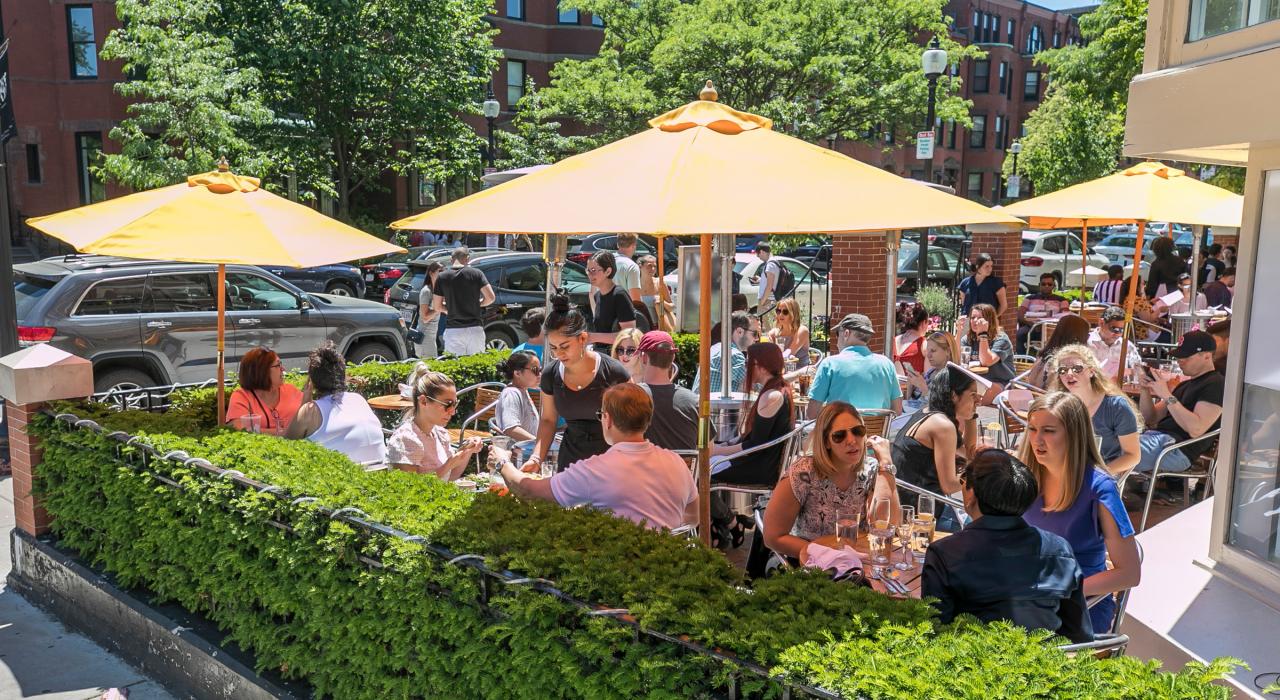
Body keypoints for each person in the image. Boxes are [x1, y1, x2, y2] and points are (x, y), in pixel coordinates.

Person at [922, 449, 1093, 643]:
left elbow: (933, 634)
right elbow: (1080, 636)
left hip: (973, 667)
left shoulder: (945, 553)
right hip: (1045, 665)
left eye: (964, 481)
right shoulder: (1060, 550)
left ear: (971, 494)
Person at [1019, 391, 1141, 633]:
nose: (1037, 440)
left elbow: (1129, 573)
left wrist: (1062, 589)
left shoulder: (1099, 488)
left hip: (1081, 604)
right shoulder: (1025, 477)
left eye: (1049, 431)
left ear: (1074, 435)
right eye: (1032, 429)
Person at [500, 383, 698, 531]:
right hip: (671, 568)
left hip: (616, 575)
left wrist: (503, 462)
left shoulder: (596, 470)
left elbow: (528, 490)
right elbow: (693, 517)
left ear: (608, 419)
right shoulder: (676, 462)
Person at [762, 402, 899, 564]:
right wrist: (825, 553)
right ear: (826, 442)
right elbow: (772, 537)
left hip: (855, 565)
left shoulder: (870, 469)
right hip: (809, 566)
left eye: (857, 431)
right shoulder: (804, 473)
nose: (851, 440)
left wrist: (885, 464)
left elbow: (885, 525)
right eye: (839, 436)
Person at [521, 295, 631, 474]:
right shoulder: (551, 374)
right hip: (571, 462)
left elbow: (634, 420)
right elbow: (548, 420)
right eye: (554, 348)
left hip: (612, 463)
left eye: (564, 346)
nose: (559, 354)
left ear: (583, 339)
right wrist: (536, 457)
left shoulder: (613, 372)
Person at [709, 343, 794, 546]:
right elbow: (753, 439)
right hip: (763, 463)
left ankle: (723, 525)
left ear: (760, 365)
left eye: (749, 363)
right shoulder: (778, 390)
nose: (746, 367)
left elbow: (755, 444)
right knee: (706, 467)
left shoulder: (770, 396)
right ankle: (726, 523)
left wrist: (720, 450)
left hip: (760, 468)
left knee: (699, 475)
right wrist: (726, 444)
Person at [891, 366, 979, 531]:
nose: (979, 400)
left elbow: (968, 452)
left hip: (905, 503)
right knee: (981, 530)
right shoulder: (943, 426)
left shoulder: (928, 412)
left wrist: (972, 414)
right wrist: (983, 474)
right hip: (920, 514)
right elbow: (950, 485)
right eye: (973, 395)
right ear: (954, 395)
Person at [1135, 331, 1224, 475]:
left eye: (1186, 357)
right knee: (1102, 444)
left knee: (1109, 449)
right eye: (1178, 357)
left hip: (1176, 450)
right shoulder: (1186, 385)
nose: (1179, 361)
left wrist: (1166, 395)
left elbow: (1196, 429)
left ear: (1207, 356)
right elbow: (1150, 418)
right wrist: (1144, 390)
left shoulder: (1216, 384)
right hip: (1158, 441)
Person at [284, 343, 387, 466]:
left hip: (342, 479)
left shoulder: (309, 411)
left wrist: (305, 401)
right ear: (343, 377)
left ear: (311, 382)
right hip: (380, 469)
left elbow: (286, 446)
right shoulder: (358, 399)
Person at [1046, 345, 1142, 477]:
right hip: (1064, 472)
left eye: (1077, 369)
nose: (1069, 374)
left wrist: (1098, 474)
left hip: (1099, 476)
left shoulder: (1116, 407)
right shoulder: (1060, 405)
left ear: (1091, 371)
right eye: (1062, 370)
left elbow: (1133, 456)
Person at [386, 365, 484, 480]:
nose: (452, 412)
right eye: (447, 404)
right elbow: (410, 489)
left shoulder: (440, 434)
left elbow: (451, 477)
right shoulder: (406, 439)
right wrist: (449, 464)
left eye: (454, 404)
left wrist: (466, 452)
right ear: (423, 401)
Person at [808, 313, 903, 413]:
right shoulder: (887, 365)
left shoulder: (830, 364)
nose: (836, 341)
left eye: (837, 334)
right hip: (878, 428)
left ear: (846, 333)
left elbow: (812, 413)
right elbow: (897, 410)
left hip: (841, 428)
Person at [635, 330, 698, 451]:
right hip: (683, 469)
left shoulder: (630, 397)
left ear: (643, 357)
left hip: (642, 468)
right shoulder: (694, 401)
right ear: (673, 357)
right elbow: (708, 448)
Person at [432, 247, 496, 356]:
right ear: (467, 259)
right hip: (475, 328)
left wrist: (449, 309)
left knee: (455, 366)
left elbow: (437, 306)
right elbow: (490, 298)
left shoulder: (442, 277)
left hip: (453, 330)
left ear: (451, 260)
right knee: (477, 366)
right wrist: (478, 304)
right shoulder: (477, 274)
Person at [225, 347, 304, 434]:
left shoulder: (291, 390)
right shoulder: (242, 397)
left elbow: (311, 420)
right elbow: (239, 430)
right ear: (262, 370)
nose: (283, 369)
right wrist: (285, 433)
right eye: (278, 365)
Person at [959, 303, 1014, 403]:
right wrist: (959, 331)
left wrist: (982, 334)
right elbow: (957, 360)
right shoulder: (967, 339)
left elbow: (986, 361)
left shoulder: (1001, 339)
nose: (975, 321)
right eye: (973, 317)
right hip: (976, 382)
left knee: (972, 400)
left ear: (989, 321)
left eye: (980, 318)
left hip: (1001, 383)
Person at [692, 311, 759, 393]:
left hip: (703, 403)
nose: (757, 339)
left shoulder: (716, 347)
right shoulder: (734, 355)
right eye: (755, 334)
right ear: (739, 332)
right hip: (715, 405)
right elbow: (754, 385)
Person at [1022, 314, 1091, 390]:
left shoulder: (1044, 356)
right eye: (1087, 335)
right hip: (1048, 400)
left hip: (1032, 398)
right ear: (1078, 338)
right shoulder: (1065, 365)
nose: (1088, 338)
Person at [585, 251, 637, 348]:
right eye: (588, 270)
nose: (590, 274)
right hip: (602, 355)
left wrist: (593, 337)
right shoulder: (597, 296)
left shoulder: (619, 295)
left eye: (594, 270)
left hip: (616, 358)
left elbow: (629, 335)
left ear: (608, 271)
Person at [903, 331, 961, 407]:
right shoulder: (930, 373)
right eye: (927, 351)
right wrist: (911, 386)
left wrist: (923, 388)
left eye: (933, 351)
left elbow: (941, 409)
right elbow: (912, 403)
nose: (928, 355)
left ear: (947, 351)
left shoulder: (953, 377)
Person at [493, 350, 541, 443]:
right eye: (535, 370)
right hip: (517, 454)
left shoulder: (523, 390)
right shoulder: (512, 394)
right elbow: (511, 429)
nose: (539, 375)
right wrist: (538, 443)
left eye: (540, 370)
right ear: (517, 373)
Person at [1017, 273, 1070, 354]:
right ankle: (1023, 359)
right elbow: (1020, 314)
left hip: (1053, 329)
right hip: (1032, 327)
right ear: (1039, 285)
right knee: (1019, 334)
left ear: (1054, 286)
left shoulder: (1062, 300)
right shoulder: (1029, 298)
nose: (1046, 286)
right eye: (1043, 284)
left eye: (1049, 284)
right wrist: (1030, 324)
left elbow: (1065, 315)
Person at [1087, 305, 1142, 380]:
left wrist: (1133, 374)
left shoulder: (1127, 345)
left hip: (1119, 389)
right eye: (1115, 329)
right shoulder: (1086, 343)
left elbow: (1139, 369)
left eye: (1121, 330)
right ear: (1101, 323)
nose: (1118, 334)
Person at [958, 253, 1008, 317]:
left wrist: (993, 319)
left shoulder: (996, 283)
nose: (990, 269)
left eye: (991, 266)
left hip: (986, 321)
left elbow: (1003, 305)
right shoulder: (965, 283)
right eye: (986, 266)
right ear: (978, 267)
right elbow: (964, 303)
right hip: (968, 320)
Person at [768, 297, 811, 369]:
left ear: (793, 314)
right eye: (778, 311)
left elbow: (790, 352)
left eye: (785, 312)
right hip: (781, 371)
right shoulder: (774, 333)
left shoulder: (802, 330)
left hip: (800, 372)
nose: (780, 315)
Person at [416, 260, 444, 358]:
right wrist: (438, 308)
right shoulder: (426, 291)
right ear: (431, 273)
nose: (442, 274)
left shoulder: (438, 291)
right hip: (425, 337)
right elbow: (425, 317)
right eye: (440, 271)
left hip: (431, 337)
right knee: (429, 369)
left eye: (443, 272)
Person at [893, 301, 929, 375]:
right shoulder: (924, 344)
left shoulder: (893, 340)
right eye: (928, 321)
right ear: (923, 323)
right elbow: (928, 377)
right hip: (912, 386)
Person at [751, 242, 781, 318]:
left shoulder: (770, 265)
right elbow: (772, 282)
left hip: (767, 300)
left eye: (758, 255)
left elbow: (770, 285)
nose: (759, 257)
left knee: (765, 327)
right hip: (770, 299)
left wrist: (762, 302)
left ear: (762, 251)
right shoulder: (774, 262)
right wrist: (760, 280)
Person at [612, 233, 644, 305]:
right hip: (623, 313)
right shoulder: (632, 266)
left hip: (603, 313)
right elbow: (636, 300)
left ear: (618, 244)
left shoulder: (603, 261)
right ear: (633, 246)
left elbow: (592, 293)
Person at [638, 254, 662, 322]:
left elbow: (672, 307)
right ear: (640, 266)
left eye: (655, 266)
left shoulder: (660, 283)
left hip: (657, 326)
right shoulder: (634, 284)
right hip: (640, 326)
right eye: (649, 266)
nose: (653, 269)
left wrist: (662, 303)